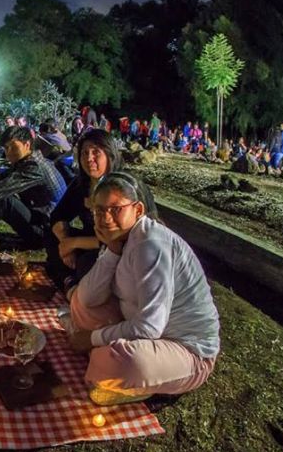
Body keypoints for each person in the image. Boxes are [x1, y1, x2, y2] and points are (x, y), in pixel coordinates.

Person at [62, 171, 219, 406]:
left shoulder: (150, 243)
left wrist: (93, 338)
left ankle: (123, 375)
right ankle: (107, 364)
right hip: (144, 332)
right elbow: (88, 296)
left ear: (138, 210)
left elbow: (149, 327)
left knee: (121, 362)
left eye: (115, 209)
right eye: (99, 210)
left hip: (187, 350)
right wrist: (112, 249)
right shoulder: (122, 239)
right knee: (79, 303)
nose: (105, 218)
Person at [46, 129, 123, 293]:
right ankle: (69, 283)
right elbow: (58, 216)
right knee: (52, 236)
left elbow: (119, 238)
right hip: (88, 242)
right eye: (84, 153)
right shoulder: (82, 185)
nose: (89, 158)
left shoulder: (121, 188)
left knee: (87, 263)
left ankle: (70, 282)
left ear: (110, 155)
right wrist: (65, 241)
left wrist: (72, 243)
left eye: (96, 152)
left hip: (116, 250)